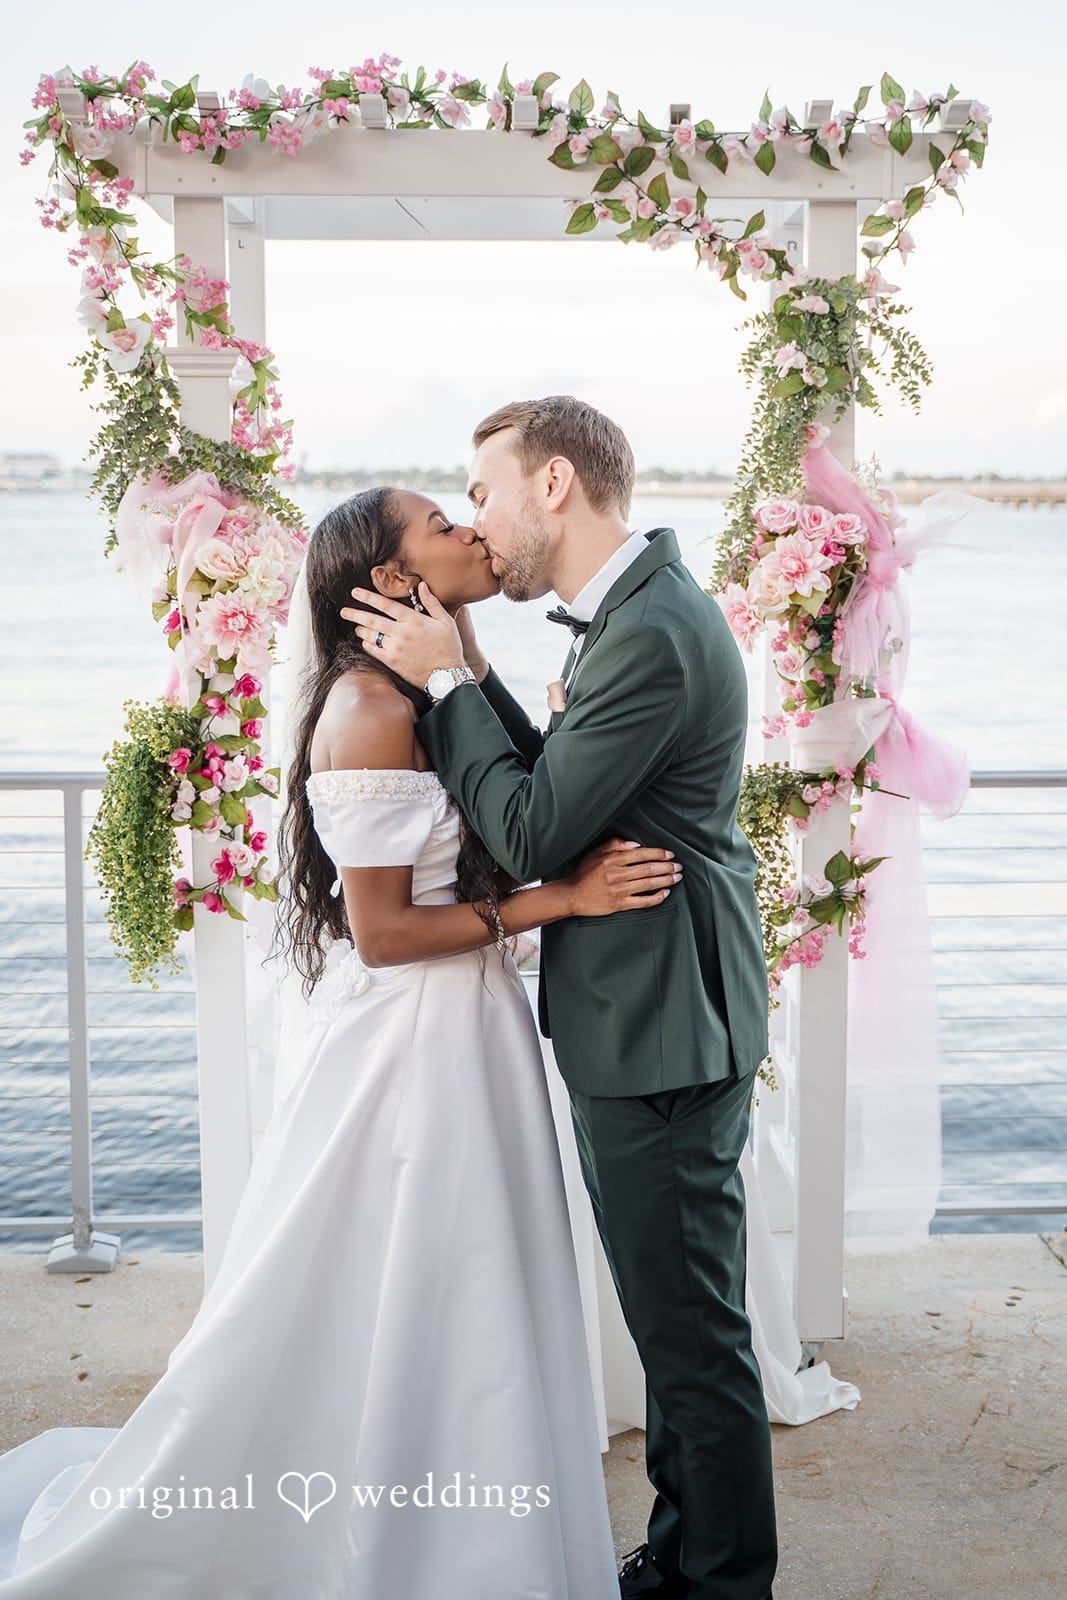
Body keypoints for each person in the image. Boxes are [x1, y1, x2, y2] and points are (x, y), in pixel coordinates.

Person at [0, 484, 685, 1596]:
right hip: (408, 1054)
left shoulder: (433, 689)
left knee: (473, 1288)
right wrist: (561, 903)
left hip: (474, 1031)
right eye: (438, 524)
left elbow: (512, 813)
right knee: (411, 1274)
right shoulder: (368, 708)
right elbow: (379, 933)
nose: (469, 530)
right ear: (388, 578)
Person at [339, 395, 780, 1600]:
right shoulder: (631, 615)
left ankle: (722, 1583)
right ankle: (686, 1552)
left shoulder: (649, 632)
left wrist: (440, 689)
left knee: (690, 1341)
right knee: (670, 1321)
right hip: (644, 1013)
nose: (474, 521)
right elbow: (559, 782)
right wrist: (465, 669)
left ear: (549, 485)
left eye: (478, 492)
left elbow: (532, 827)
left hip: (661, 1022)